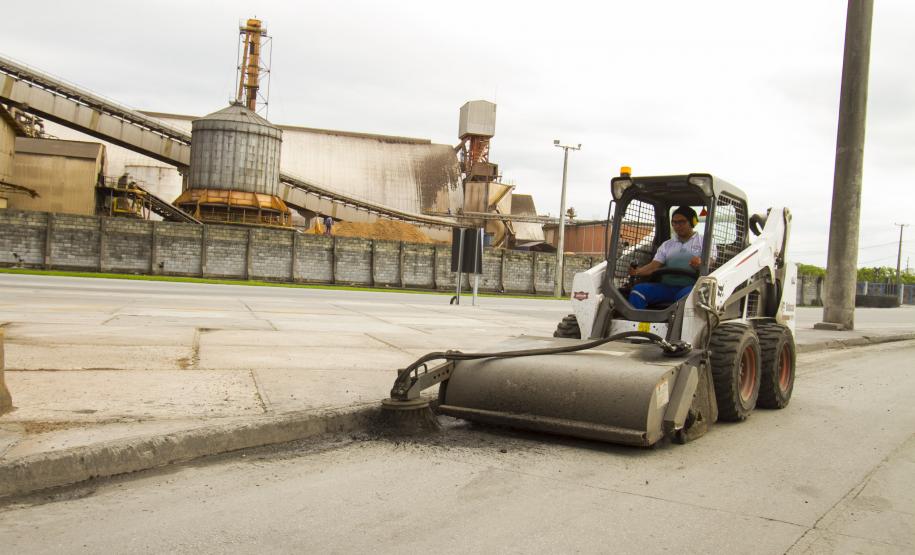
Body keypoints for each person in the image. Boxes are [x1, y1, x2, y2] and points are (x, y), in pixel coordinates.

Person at [627, 206, 715, 309]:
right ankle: (639, 323)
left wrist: (701, 263)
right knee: (638, 291)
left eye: (682, 222)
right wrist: (637, 271)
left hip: (691, 287)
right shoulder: (667, 245)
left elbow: (711, 261)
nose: (678, 226)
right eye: (674, 223)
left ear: (693, 222)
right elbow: (654, 266)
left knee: (683, 298)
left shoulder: (705, 241)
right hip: (666, 288)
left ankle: (676, 324)